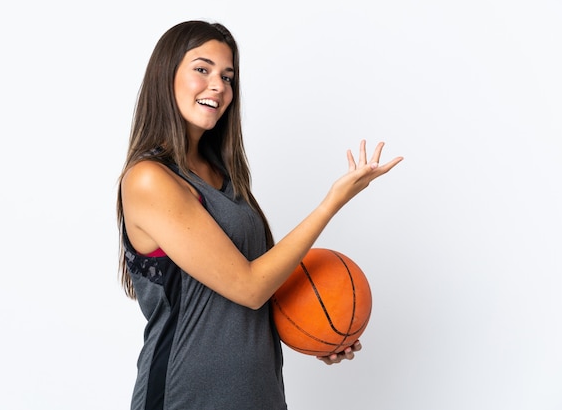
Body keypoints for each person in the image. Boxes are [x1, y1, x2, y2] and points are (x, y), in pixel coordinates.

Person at [116, 20, 403, 410]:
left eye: (228, 76)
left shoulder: (225, 176)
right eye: (202, 69)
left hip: (259, 396)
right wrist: (331, 203)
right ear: (166, 76)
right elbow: (249, 287)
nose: (218, 86)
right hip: (186, 397)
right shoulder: (150, 180)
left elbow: (263, 286)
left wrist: (322, 327)